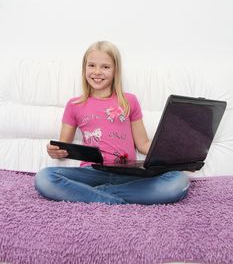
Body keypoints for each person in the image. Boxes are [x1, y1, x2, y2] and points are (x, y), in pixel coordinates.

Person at [35, 41, 189, 205]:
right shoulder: (74, 105)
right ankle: (118, 200)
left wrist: (175, 156)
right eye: (92, 65)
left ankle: (98, 195)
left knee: (179, 181)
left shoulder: (129, 100)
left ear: (116, 70)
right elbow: (64, 145)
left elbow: (143, 143)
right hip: (92, 172)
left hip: (129, 174)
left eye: (105, 67)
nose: (97, 72)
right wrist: (55, 151)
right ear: (84, 68)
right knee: (44, 178)